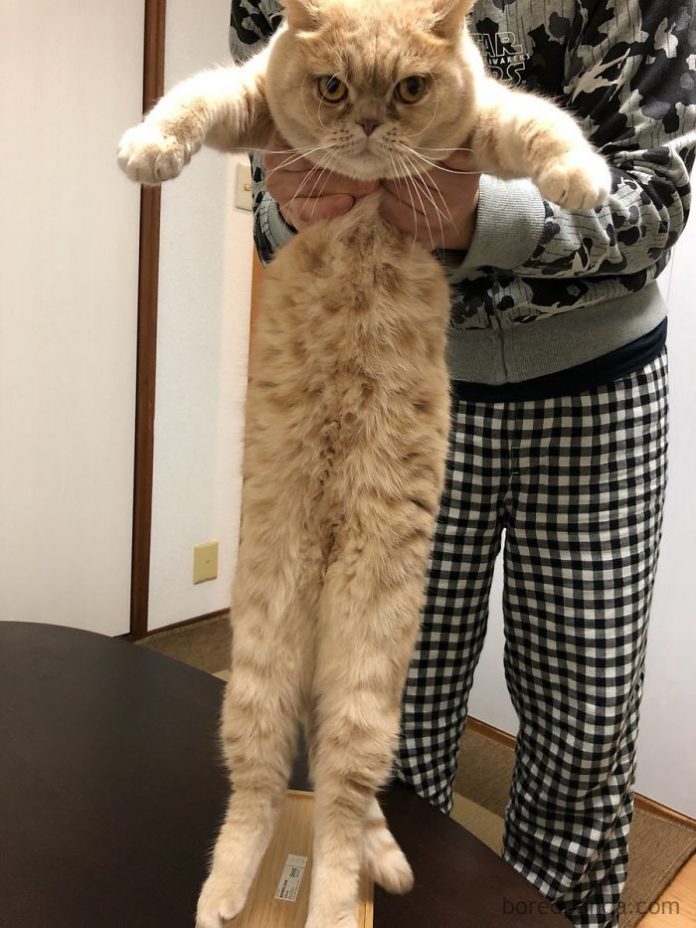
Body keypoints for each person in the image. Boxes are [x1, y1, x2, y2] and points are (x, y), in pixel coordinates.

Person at [229, 1, 695, 926]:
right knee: (382, 713)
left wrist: (479, 215)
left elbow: (658, 196)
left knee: (587, 730)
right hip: (392, 374)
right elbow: (270, 190)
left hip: (599, 383)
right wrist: (294, 208)